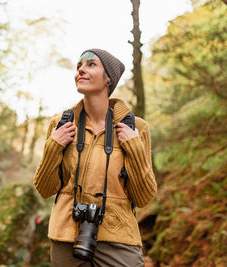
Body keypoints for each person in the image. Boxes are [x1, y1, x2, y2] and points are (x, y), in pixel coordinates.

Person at [33, 48, 157, 266]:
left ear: (108, 77)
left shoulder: (136, 128)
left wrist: (133, 146)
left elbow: (144, 197)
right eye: (79, 66)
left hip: (118, 237)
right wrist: (54, 146)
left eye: (91, 64)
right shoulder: (61, 124)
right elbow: (45, 189)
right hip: (66, 236)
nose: (81, 69)